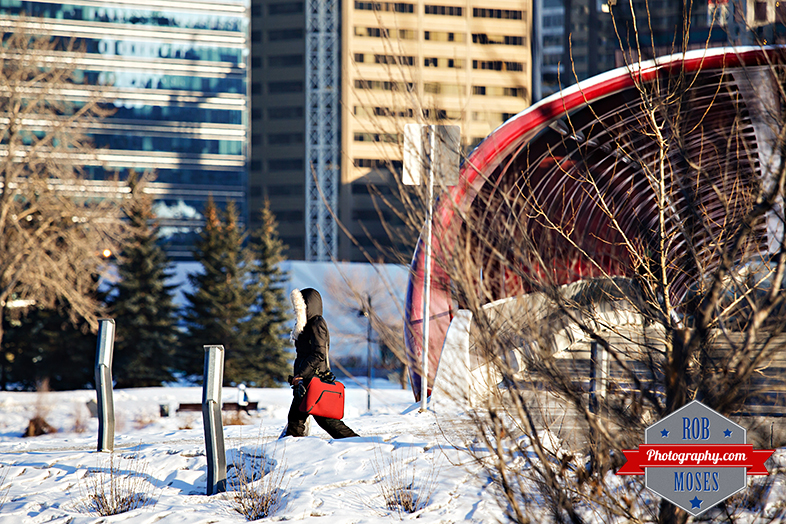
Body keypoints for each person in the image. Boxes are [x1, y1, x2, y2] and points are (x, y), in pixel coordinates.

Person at [285, 288, 358, 438]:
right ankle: (293, 450)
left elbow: (319, 353)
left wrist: (301, 374)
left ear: (308, 306)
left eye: (299, 307)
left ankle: (356, 444)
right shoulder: (305, 326)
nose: (296, 311)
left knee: (327, 421)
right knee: (296, 420)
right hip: (306, 381)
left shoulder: (317, 323)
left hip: (313, 380)